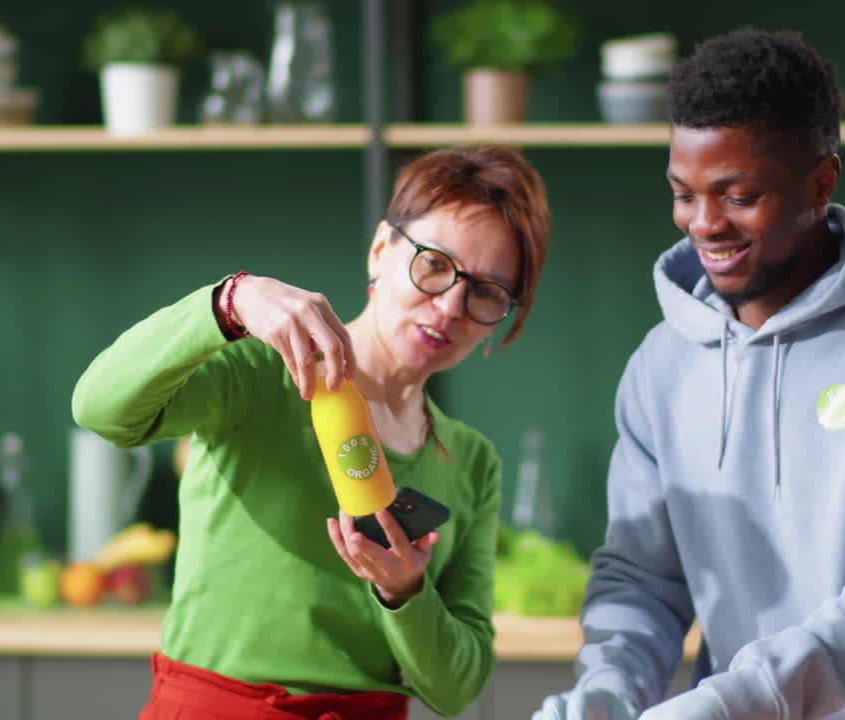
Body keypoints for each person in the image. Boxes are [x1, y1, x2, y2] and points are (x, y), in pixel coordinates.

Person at [534, 28, 845, 720]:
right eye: (684, 194)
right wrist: (606, 694)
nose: (704, 223)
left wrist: (739, 701)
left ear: (821, 181)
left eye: (739, 196)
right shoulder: (661, 364)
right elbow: (642, 581)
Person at [72, 145, 551, 720]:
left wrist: (405, 593)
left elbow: (456, 688)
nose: (451, 305)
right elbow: (100, 409)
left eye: (486, 292)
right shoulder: (258, 372)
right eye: (434, 263)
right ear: (381, 250)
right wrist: (228, 302)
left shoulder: (471, 462)